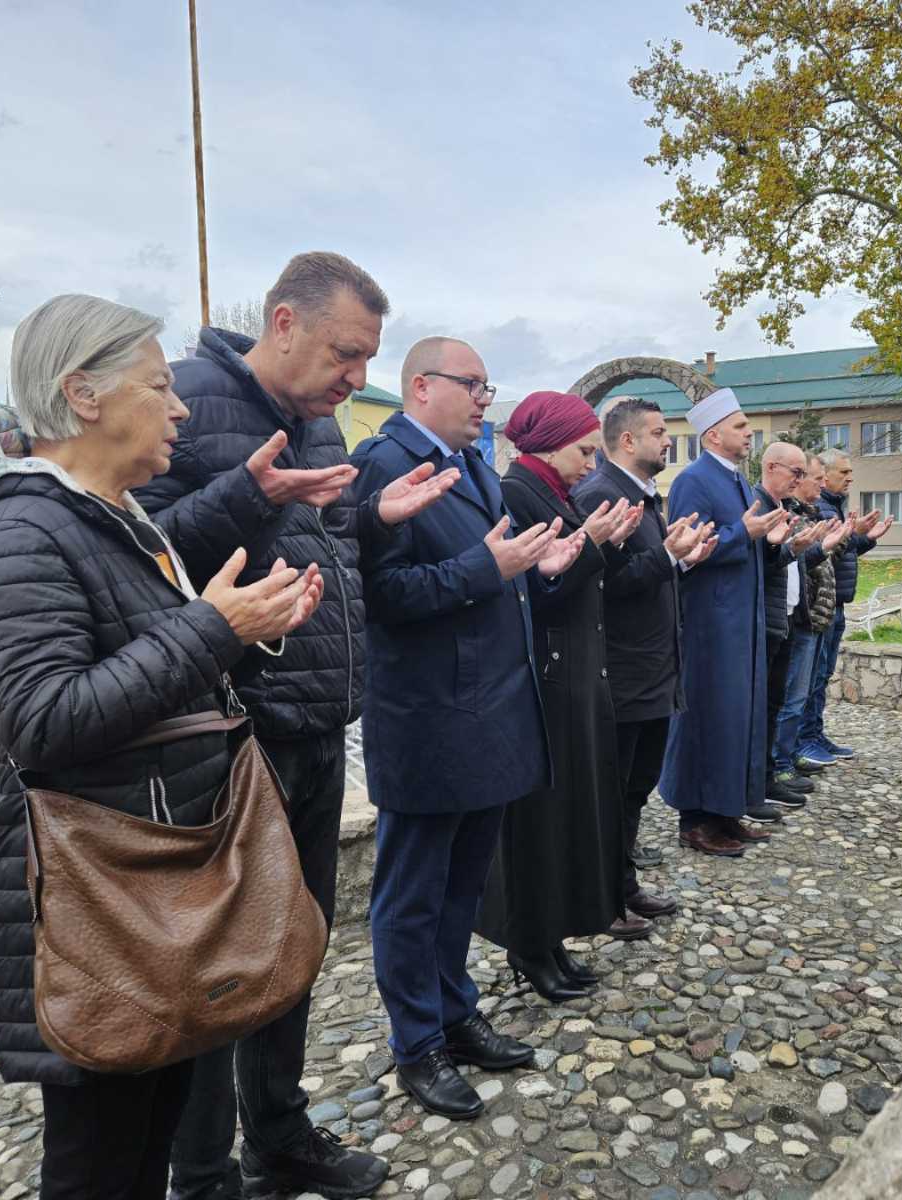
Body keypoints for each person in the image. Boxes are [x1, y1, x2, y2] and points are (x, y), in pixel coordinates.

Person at [0, 295, 324, 1200]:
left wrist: (244, 625)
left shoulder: (111, 521)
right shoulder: (17, 536)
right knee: (100, 1165)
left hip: (152, 893)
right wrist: (214, 628)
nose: (179, 409)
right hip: (102, 908)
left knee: (145, 1147)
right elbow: (44, 720)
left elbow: (147, 669)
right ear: (83, 395)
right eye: (159, 386)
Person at [135, 253, 456, 1200]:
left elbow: (331, 542)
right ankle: (201, 1173)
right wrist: (251, 493)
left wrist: (381, 519)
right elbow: (140, 553)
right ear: (283, 323)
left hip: (316, 728)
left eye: (367, 360)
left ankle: (279, 1133)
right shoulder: (188, 399)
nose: (358, 378)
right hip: (234, 739)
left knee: (294, 950)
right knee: (223, 969)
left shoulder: (319, 425)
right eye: (346, 353)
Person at [352, 338, 586, 1120]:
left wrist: (530, 567)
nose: (487, 399)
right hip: (429, 718)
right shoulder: (387, 465)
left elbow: (490, 568)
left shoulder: (475, 462)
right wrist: (489, 571)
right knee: (413, 893)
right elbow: (381, 598)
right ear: (420, 387)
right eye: (473, 384)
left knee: (459, 887)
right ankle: (415, 1043)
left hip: (485, 713)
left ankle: (455, 1012)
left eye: (489, 386)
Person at [474, 390, 650, 997]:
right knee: (538, 825)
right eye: (582, 449)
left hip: (574, 675)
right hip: (547, 680)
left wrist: (603, 546)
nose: (588, 462)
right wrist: (595, 547)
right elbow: (535, 594)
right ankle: (530, 945)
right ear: (550, 443)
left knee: (568, 817)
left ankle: (552, 939)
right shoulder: (518, 493)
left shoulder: (551, 491)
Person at [570, 400, 713, 938]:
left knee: (634, 790)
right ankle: (600, 897)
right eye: (658, 432)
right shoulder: (601, 495)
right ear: (627, 441)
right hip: (621, 674)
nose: (668, 441)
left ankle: (623, 884)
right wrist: (668, 559)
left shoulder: (642, 497)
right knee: (612, 791)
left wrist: (681, 561)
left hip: (652, 671)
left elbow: (644, 577)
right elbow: (600, 585)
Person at [659, 388, 790, 855]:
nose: (748, 431)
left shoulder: (737, 480)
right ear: (713, 435)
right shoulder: (694, 480)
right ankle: (695, 819)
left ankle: (726, 811)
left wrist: (768, 540)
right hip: (710, 624)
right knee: (707, 718)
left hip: (741, 621)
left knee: (737, 717)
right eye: (739, 426)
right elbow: (690, 551)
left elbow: (745, 540)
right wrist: (744, 533)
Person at [797, 449, 893, 765]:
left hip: (836, 602)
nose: (849, 478)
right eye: (843, 472)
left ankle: (815, 733)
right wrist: (855, 535)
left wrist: (865, 538)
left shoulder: (834, 505)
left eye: (850, 472)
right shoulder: (821, 507)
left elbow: (844, 551)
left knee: (822, 675)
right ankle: (805, 739)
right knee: (812, 677)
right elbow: (827, 551)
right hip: (822, 603)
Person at [770, 454, 849, 795]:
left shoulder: (810, 514)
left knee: (802, 693)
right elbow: (797, 560)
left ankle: (790, 755)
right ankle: (781, 763)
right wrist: (824, 544)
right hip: (800, 617)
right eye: (807, 476)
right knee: (789, 697)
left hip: (813, 614)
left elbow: (810, 559)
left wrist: (843, 538)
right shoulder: (786, 514)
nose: (816, 483)